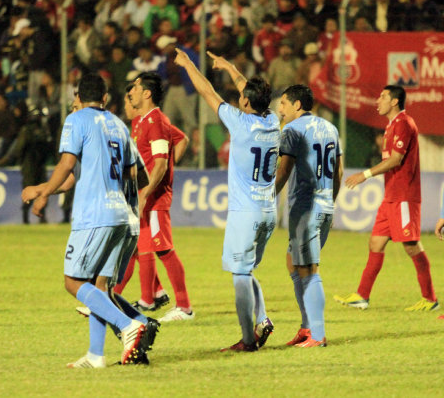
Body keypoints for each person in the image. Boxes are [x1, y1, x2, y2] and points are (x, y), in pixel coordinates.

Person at [25, 73, 154, 368]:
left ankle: (130, 324)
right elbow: (140, 175)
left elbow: (66, 163)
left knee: (73, 282)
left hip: (94, 215)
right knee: (100, 287)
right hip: (122, 215)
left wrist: (43, 192)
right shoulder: (119, 125)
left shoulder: (77, 119)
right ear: (106, 98)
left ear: (78, 97)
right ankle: (96, 355)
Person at [175, 48, 280, 352]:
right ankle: (263, 319)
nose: (238, 98)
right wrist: (231, 68)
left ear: (245, 102)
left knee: (239, 274)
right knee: (246, 270)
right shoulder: (272, 121)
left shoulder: (240, 123)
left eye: (242, 97)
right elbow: (250, 92)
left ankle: (248, 340)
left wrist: (189, 64)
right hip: (268, 210)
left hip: (245, 213)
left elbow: (206, 91)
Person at [334, 85, 439, 312]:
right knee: (376, 242)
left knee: (411, 246)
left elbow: (396, 160)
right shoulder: (391, 126)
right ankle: (362, 296)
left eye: (382, 97)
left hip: (404, 197)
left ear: (394, 101)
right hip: (391, 196)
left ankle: (430, 299)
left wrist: (365, 174)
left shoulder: (403, 123)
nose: (377, 101)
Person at [275, 84, 343, 348]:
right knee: (293, 261)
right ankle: (306, 326)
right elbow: (338, 171)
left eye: (283, 103)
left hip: (305, 207)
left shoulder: (292, 130)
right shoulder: (331, 128)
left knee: (308, 269)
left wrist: (267, 200)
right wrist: (330, 201)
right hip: (324, 205)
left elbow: (284, 170)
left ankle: (318, 334)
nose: (280, 109)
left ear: (297, 105)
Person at [124, 72, 194, 322]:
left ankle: (184, 307)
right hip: (145, 196)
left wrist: (148, 191)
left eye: (135, 87)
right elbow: (180, 140)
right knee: (141, 248)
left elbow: (161, 164)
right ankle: (149, 297)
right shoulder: (143, 121)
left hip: (154, 199)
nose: (130, 91)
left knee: (164, 250)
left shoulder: (156, 121)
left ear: (147, 93)